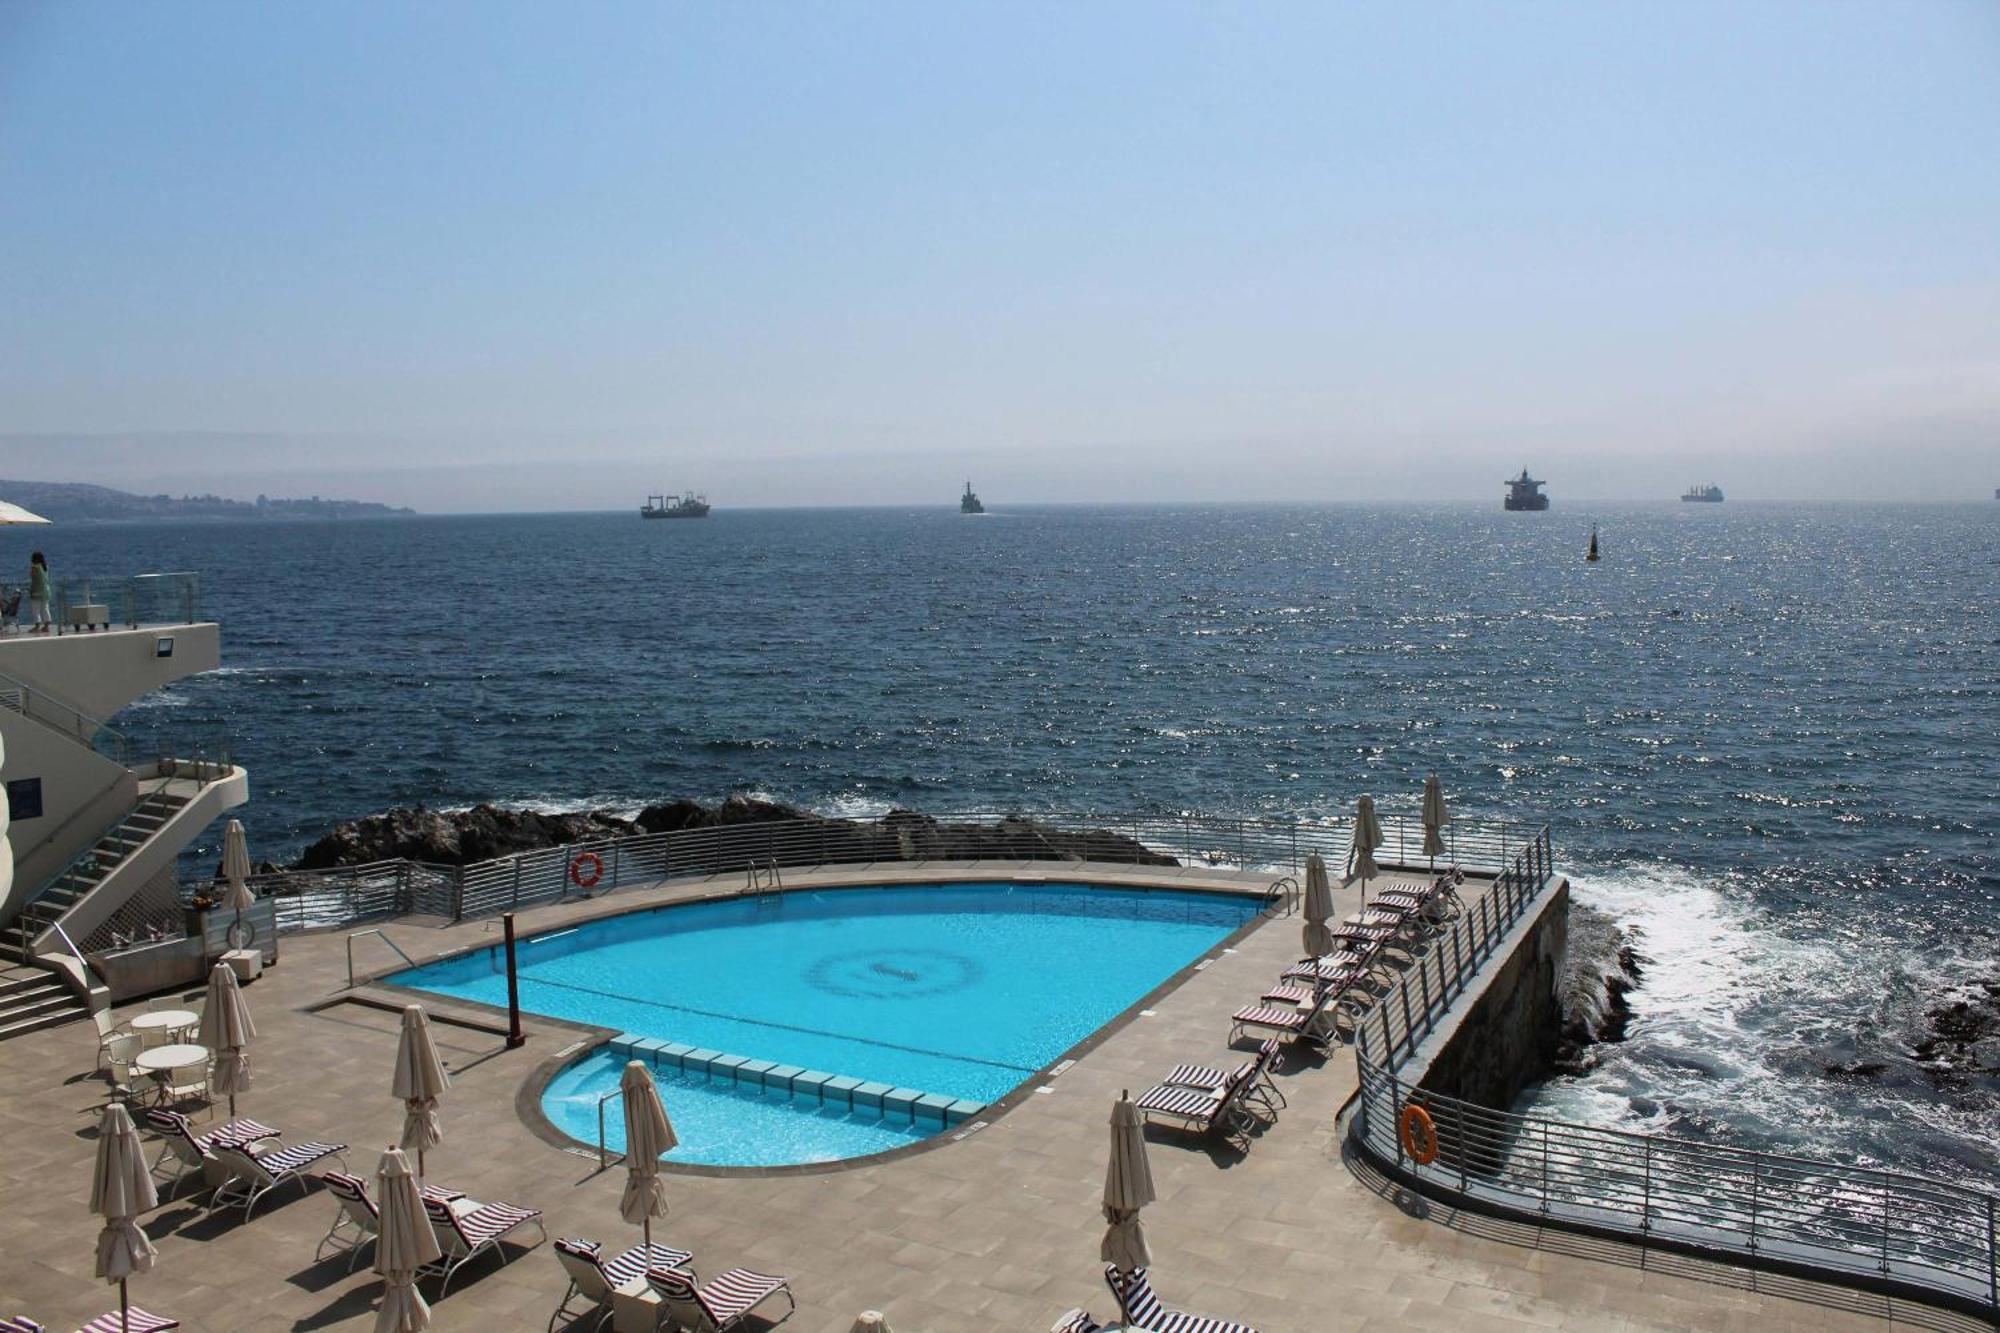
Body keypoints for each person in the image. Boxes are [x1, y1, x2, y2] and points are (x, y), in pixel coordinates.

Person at [27, 551, 50, 633]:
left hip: (37, 590)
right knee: (45, 608)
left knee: (35, 608)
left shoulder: (34, 567)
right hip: (46, 590)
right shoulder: (45, 566)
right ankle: (46, 626)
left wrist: (31, 591)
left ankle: (37, 626)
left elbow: (34, 580)